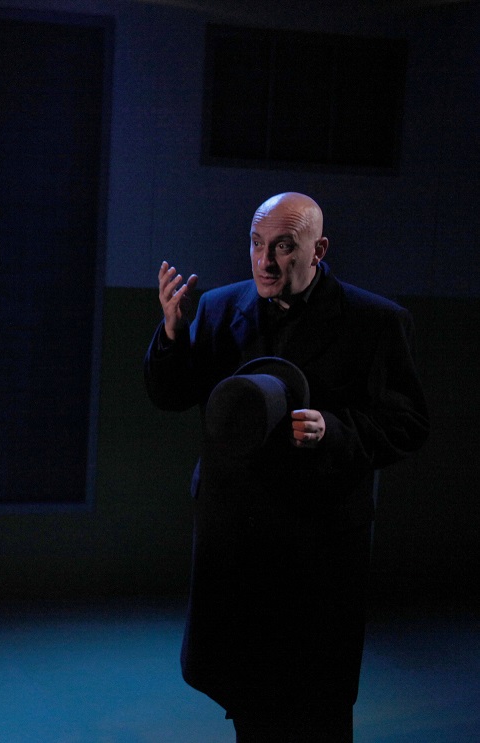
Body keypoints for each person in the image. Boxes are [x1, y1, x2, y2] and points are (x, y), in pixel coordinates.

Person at [144, 192, 429, 741]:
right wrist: (173, 334)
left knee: (316, 703)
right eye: (256, 244)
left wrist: (335, 430)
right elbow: (170, 395)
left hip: (318, 548)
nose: (265, 262)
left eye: (282, 247)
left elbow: (409, 422)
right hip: (237, 541)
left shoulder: (376, 321)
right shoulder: (220, 308)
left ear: (318, 250)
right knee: (246, 697)